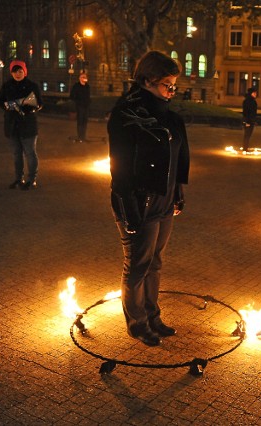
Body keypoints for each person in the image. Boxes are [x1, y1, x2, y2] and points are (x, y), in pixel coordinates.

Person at [107, 50, 189, 347]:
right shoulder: (126, 116)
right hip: (139, 202)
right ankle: (137, 323)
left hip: (164, 202)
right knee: (138, 265)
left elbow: (177, 158)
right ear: (146, 80)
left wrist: (177, 193)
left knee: (155, 261)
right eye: (167, 84)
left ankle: (153, 315)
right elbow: (120, 167)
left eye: (174, 85)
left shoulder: (169, 116)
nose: (172, 90)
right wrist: (130, 211)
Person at [0, 60, 43, 190]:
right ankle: (18, 179)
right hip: (12, 124)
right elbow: (0, 101)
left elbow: (39, 103)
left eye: (20, 71)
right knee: (17, 154)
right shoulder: (7, 86)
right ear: (11, 72)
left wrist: (28, 107)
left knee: (30, 153)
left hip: (28, 124)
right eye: (14, 71)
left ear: (24, 71)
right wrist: (9, 106)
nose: (17, 74)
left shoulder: (32, 86)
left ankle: (32, 179)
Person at [69, 72, 90, 143]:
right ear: (80, 78)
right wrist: (77, 101)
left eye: (85, 77)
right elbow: (72, 96)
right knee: (80, 121)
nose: (85, 78)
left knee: (85, 121)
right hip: (80, 106)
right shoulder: (76, 86)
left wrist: (88, 101)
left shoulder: (87, 86)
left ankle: (83, 136)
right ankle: (80, 136)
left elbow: (88, 95)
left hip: (86, 106)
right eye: (83, 77)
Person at [241, 87, 258, 151]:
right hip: (248, 121)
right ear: (251, 93)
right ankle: (245, 148)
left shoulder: (252, 101)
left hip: (251, 120)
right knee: (247, 134)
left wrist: (254, 120)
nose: (256, 94)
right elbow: (246, 112)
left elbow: (254, 112)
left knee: (248, 135)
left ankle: (245, 147)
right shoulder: (249, 101)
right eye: (254, 93)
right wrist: (247, 121)